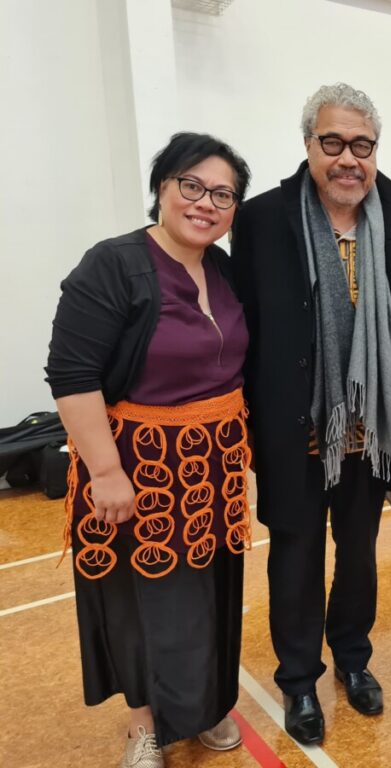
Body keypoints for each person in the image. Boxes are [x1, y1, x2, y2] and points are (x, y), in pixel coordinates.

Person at [231, 83, 391, 743]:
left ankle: (353, 660)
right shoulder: (263, 220)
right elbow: (247, 328)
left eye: (362, 145)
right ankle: (298, 682)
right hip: (296, 427)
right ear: (309, 146)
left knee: (358, 557)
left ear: (376, 150)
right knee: (295, 557)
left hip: (370, 431)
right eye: (333, 143)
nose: (348, 159)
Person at [45, 132, 252, 768]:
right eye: (191, 185)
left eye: (222, 194)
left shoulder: (223, 269)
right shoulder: (113, 264)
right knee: (140, 598)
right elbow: (71, 374)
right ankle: (146, 724)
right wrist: (105, 471)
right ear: (162, 187)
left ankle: (204, 705)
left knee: (211, 589)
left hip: (211, 467)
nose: (205, 203)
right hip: (136, 465)